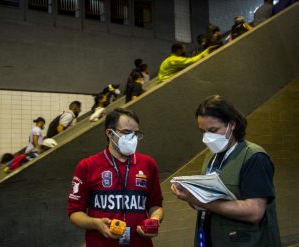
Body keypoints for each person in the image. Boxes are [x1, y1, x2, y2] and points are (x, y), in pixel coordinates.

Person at [171, 95, 281, 246]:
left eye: (213, 130)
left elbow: (254, 212)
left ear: (232, 124)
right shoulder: (212, 157)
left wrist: (202, 201)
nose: (207, 137)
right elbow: (205, 200)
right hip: (211, 238)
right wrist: (190, 195)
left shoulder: (254, 157)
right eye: (203, 131)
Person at [67, 108, 163, 247]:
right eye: (126, 132)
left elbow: (155, 205)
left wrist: (154, 220)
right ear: (110, 133)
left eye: (136, 133)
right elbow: (75, 213)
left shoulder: (148, 164)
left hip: (140, 243)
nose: (132, 138)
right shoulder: (87, 166)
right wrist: (95, 223)